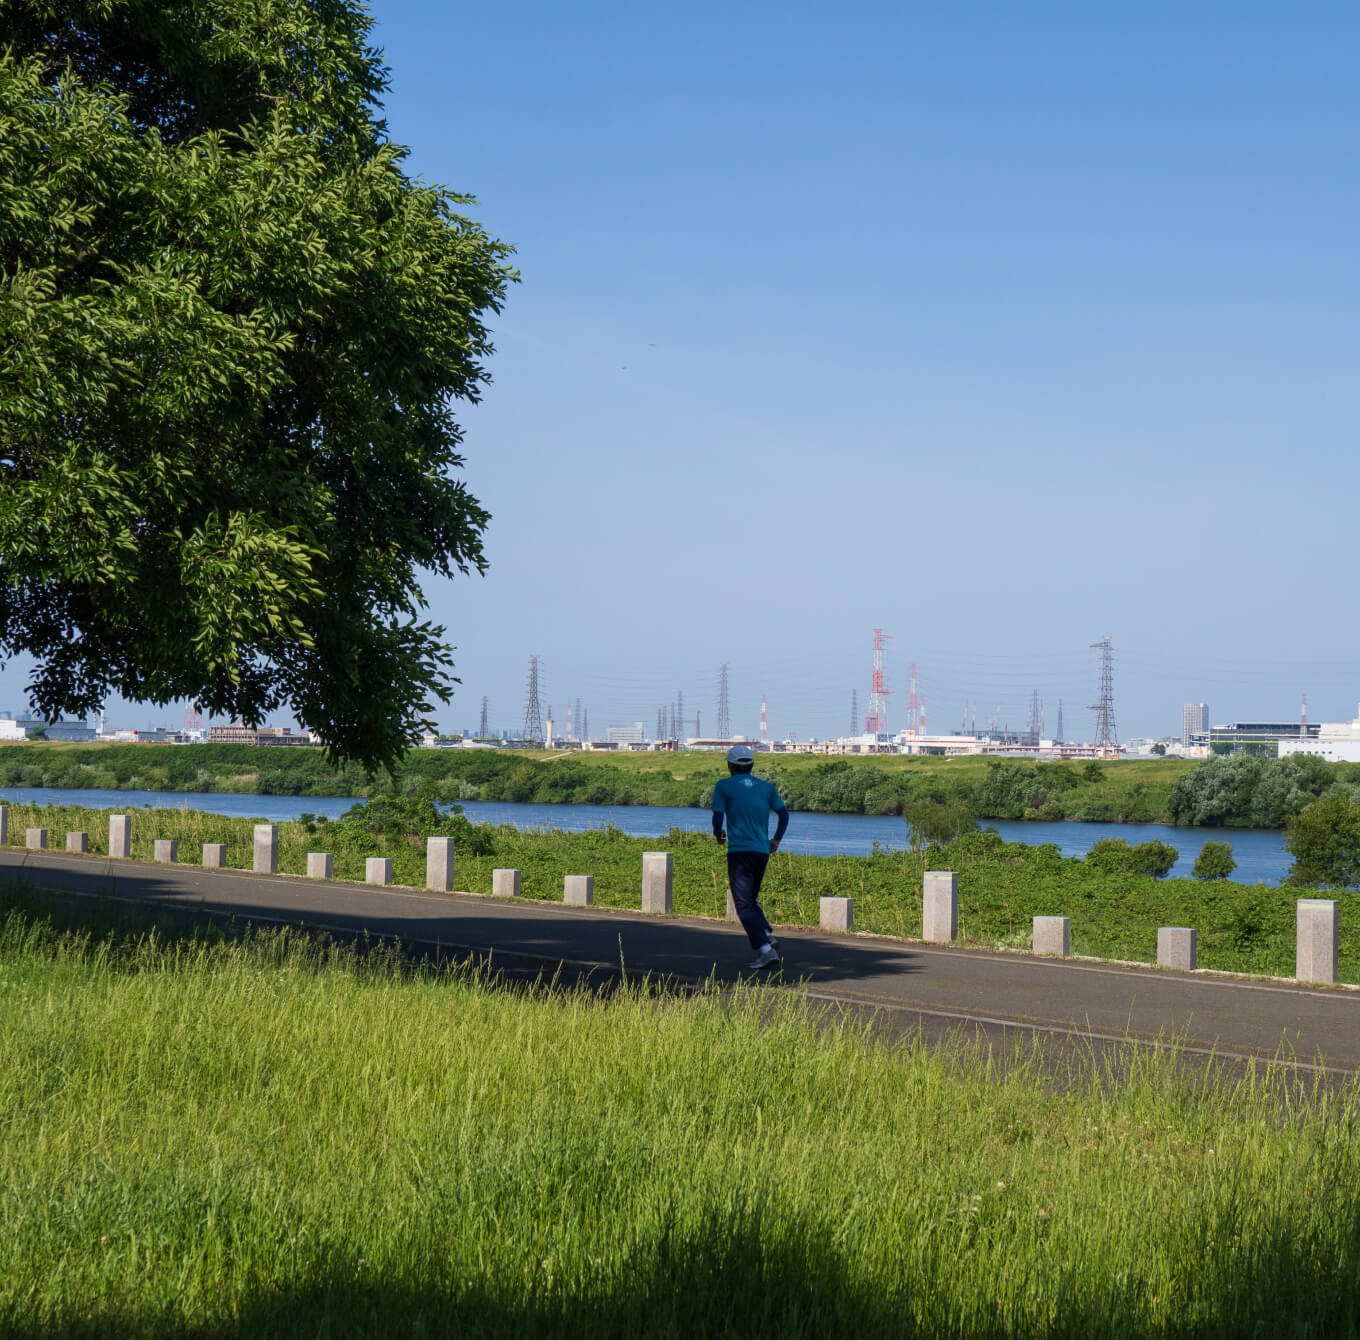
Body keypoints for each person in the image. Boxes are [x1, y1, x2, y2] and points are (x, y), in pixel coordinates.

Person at [712, 744, 789, 970]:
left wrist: (718, 835)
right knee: (751, 899)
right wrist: (776, 839)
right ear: (751, 765)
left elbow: (718, 816)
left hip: (739, 851)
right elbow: (784, 814)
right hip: (762, 851)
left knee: (743, 905)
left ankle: (765, 950)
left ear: (730, 765)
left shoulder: (723, 786)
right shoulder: (767, 787)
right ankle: (767, 935)